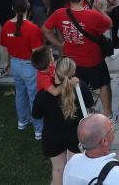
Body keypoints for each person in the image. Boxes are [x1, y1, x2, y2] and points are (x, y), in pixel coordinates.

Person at [42, 0, 117, 121]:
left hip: (73, 60)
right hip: (93, 59)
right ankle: (108, 115)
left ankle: (88, 112)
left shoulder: (59, 13)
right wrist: (100, 8)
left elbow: (45, 30)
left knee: (80, 86)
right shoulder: (93, 15)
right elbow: (110, 25)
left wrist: (60, 42)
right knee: (103, 84)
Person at [32, 56, 95, 185]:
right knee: (75, 169)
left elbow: (36, 115)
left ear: (55, 71)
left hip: (53, 135)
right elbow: (89, 105)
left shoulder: (43, 94)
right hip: (76, 133)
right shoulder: (81, 86)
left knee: (58, 169)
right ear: (73, 73)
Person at [0, 0, 45, 139]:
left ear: (12, 8)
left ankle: (23, 121)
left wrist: (7, 63)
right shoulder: (32, 28)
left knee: (20, 94)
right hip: (30, 66)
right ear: (28, 6)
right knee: (34, 97)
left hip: (15, 65)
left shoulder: (6, 26)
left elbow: (5, 48)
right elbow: (37, 53)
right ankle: (39, 129)